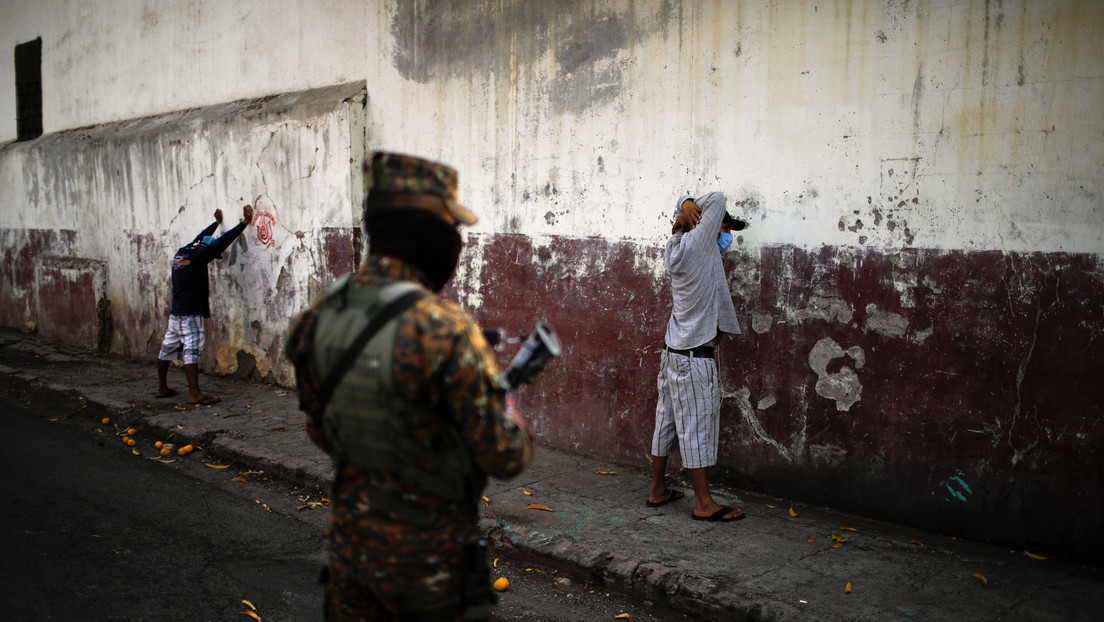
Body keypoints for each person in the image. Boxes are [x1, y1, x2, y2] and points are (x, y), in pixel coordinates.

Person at [285, 152, 534, 621]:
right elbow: (505, 454)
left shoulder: (316, 318)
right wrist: (505, 398)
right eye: (450, 229)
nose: (455, 242)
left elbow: (322, 431)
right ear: (426, 234)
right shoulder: (442, 328)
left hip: (351, 561)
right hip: (428, 575)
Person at [647, 191, 747, 522]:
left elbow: (682, 224)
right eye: (725, 227)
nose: (727, 235)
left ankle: (658, 490)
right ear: (708, 225)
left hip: (673, 352)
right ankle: (704, 503)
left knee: (666, 418)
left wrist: (683, 210)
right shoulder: (701, 245)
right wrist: (691, 203)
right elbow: (716, 197)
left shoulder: (676, 246)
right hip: (693, 359)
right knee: (696, 427)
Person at [155, 205, 253, 405]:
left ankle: (162, 388)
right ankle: (195, 394)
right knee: (191, 350)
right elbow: (221, 243)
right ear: (206, 250)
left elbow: (201, 237)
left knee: (167, 348)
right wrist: (244, 223)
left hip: (176, 313)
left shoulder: (184, 251)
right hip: (190, 313)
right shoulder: (200, 256)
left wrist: (215, 224)